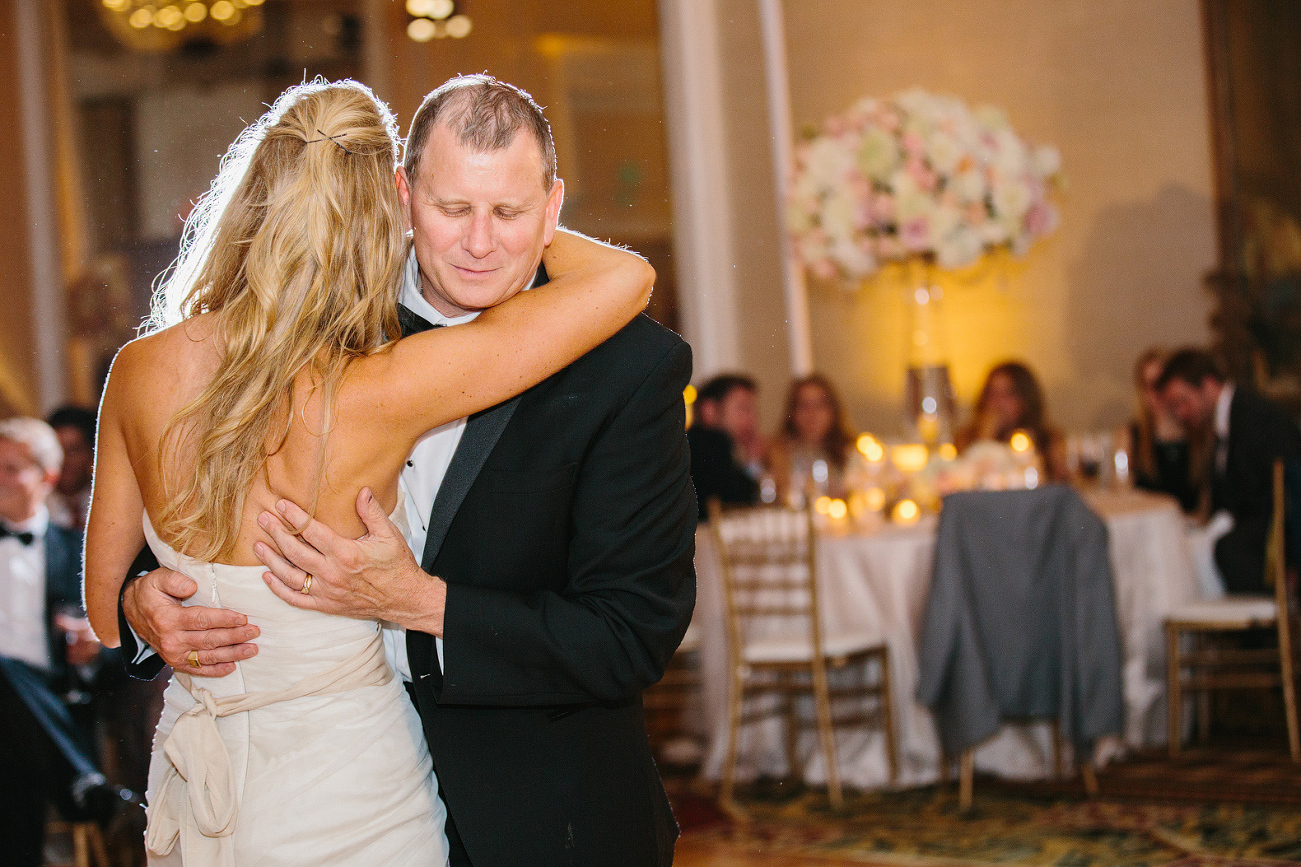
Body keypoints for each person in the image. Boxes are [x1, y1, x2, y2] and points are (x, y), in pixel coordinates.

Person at [111, 75, 693, 867]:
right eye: (453, 208)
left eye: (511, 212)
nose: (480, 242)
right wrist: (141, 601)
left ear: (553, 208)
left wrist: (426, 604)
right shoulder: (317, 323)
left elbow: (629, 634)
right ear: (401, 193)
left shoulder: (628, 366)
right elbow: (187, 517)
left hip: (536, 821)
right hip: (313, 789)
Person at [0, 418, 125, 867]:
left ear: (47, 477)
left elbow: (119, 649)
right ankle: (82, 779)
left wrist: (92, 650)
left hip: (54, 705)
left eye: (11, 467)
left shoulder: (78, 553)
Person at [1157, 347, 1301, 594]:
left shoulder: (1256, 418)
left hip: (1271, 558)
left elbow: (1283, 501)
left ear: (1208, 383)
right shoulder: (1226, 421)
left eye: (1182, 401)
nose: (1180, 414)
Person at [956, 360, 1068, 482]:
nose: (998, 403)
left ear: (1025, 400)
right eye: (992, 394)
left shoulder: (1048, 441)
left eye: (1008, 394)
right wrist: (985, 438)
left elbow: (1061, 485)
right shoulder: (965, 441)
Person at [1123, 348, 1206, 513]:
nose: (1155, 393)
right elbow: (1123, 495)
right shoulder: (1131, 436)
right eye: (1147, 385)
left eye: (1160, 383)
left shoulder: (1198, 433)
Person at [766, 373, 861, 503]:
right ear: (793, 412)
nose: (812, 414)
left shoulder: (852, 452)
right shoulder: (778, 454)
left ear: (832, 410)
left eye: (819, 405)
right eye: (804, 405)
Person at [688, 373, 761, 519]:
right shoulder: (709, 445)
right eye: (743, 408)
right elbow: (741, 501)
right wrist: (752, 464)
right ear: (709, 410)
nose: (751, 418)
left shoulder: (692, 443)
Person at [46, 405, 96, 531]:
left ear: (92, 453)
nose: (63, 460)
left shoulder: (107, 500)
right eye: (57, 450)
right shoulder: (35, 505)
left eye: (73, 450)